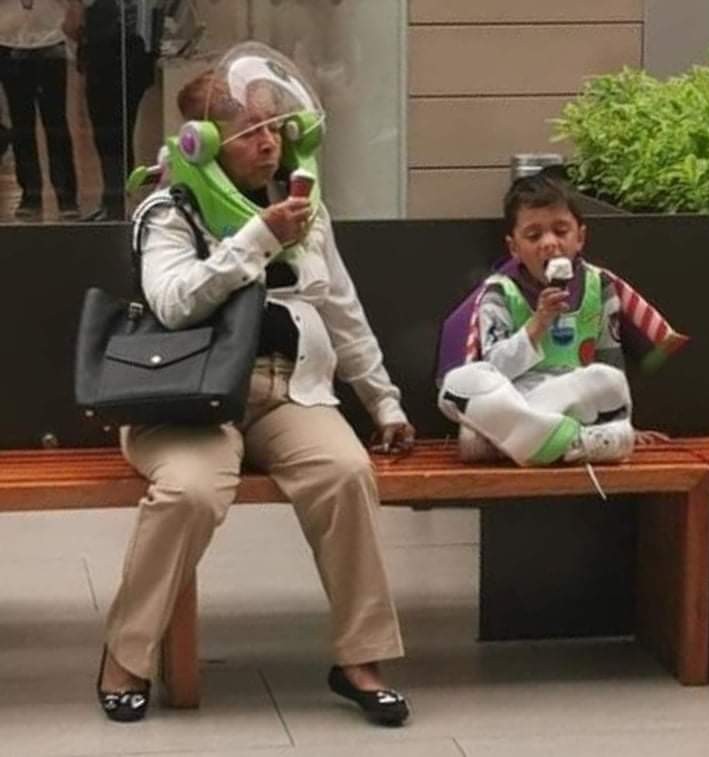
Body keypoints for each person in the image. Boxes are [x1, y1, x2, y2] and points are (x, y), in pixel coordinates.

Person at [96, 43, 414, 726]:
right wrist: (256, 240)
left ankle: (360, 657)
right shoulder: (169, 210)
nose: (271, 143)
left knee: (344, 471)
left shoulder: (300, 206)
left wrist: (383, 400)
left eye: (277, 127)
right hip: (188, 396)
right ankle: (126, 653)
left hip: (288, 387)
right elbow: (176, 300)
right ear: (206, 144)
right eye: (252, 133)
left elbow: (341, 308)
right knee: (190, 490)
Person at [439, 174, 636, 468]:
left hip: (571, 399)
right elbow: (496, 368)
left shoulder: (599, 285)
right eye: (534, 236)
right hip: (518, 397)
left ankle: (522, 443)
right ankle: (576, 444)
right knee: (458, 384)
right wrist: (537, 324)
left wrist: (621, 415)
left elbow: (609, 362)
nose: (549, 243)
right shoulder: (499, 292)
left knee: (609, 380)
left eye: (560, 231)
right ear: (514, 247)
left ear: (580, 237)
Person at [63, 0, 160, 220]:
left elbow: (73, 25)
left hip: (117, 58)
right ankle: (114, 199)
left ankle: (117, 200)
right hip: (112, 57)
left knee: (113, 135)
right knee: (112, 135)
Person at [0, 0, 79, 220]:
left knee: (56, 124)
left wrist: (74, 17)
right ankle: (30, 195)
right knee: (21, 125)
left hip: (51, 39)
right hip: (8, 40)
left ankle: (66, 196)